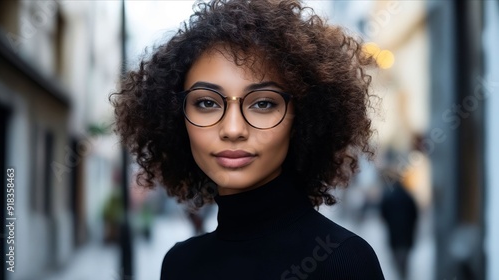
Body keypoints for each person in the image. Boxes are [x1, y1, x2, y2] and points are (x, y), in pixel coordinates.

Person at [111, 0, 384, 279]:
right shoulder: (178, 265)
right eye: (206, 103)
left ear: (302, 119)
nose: (232, 129)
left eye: (263, 104)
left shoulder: (344, 262)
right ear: (175, 117)